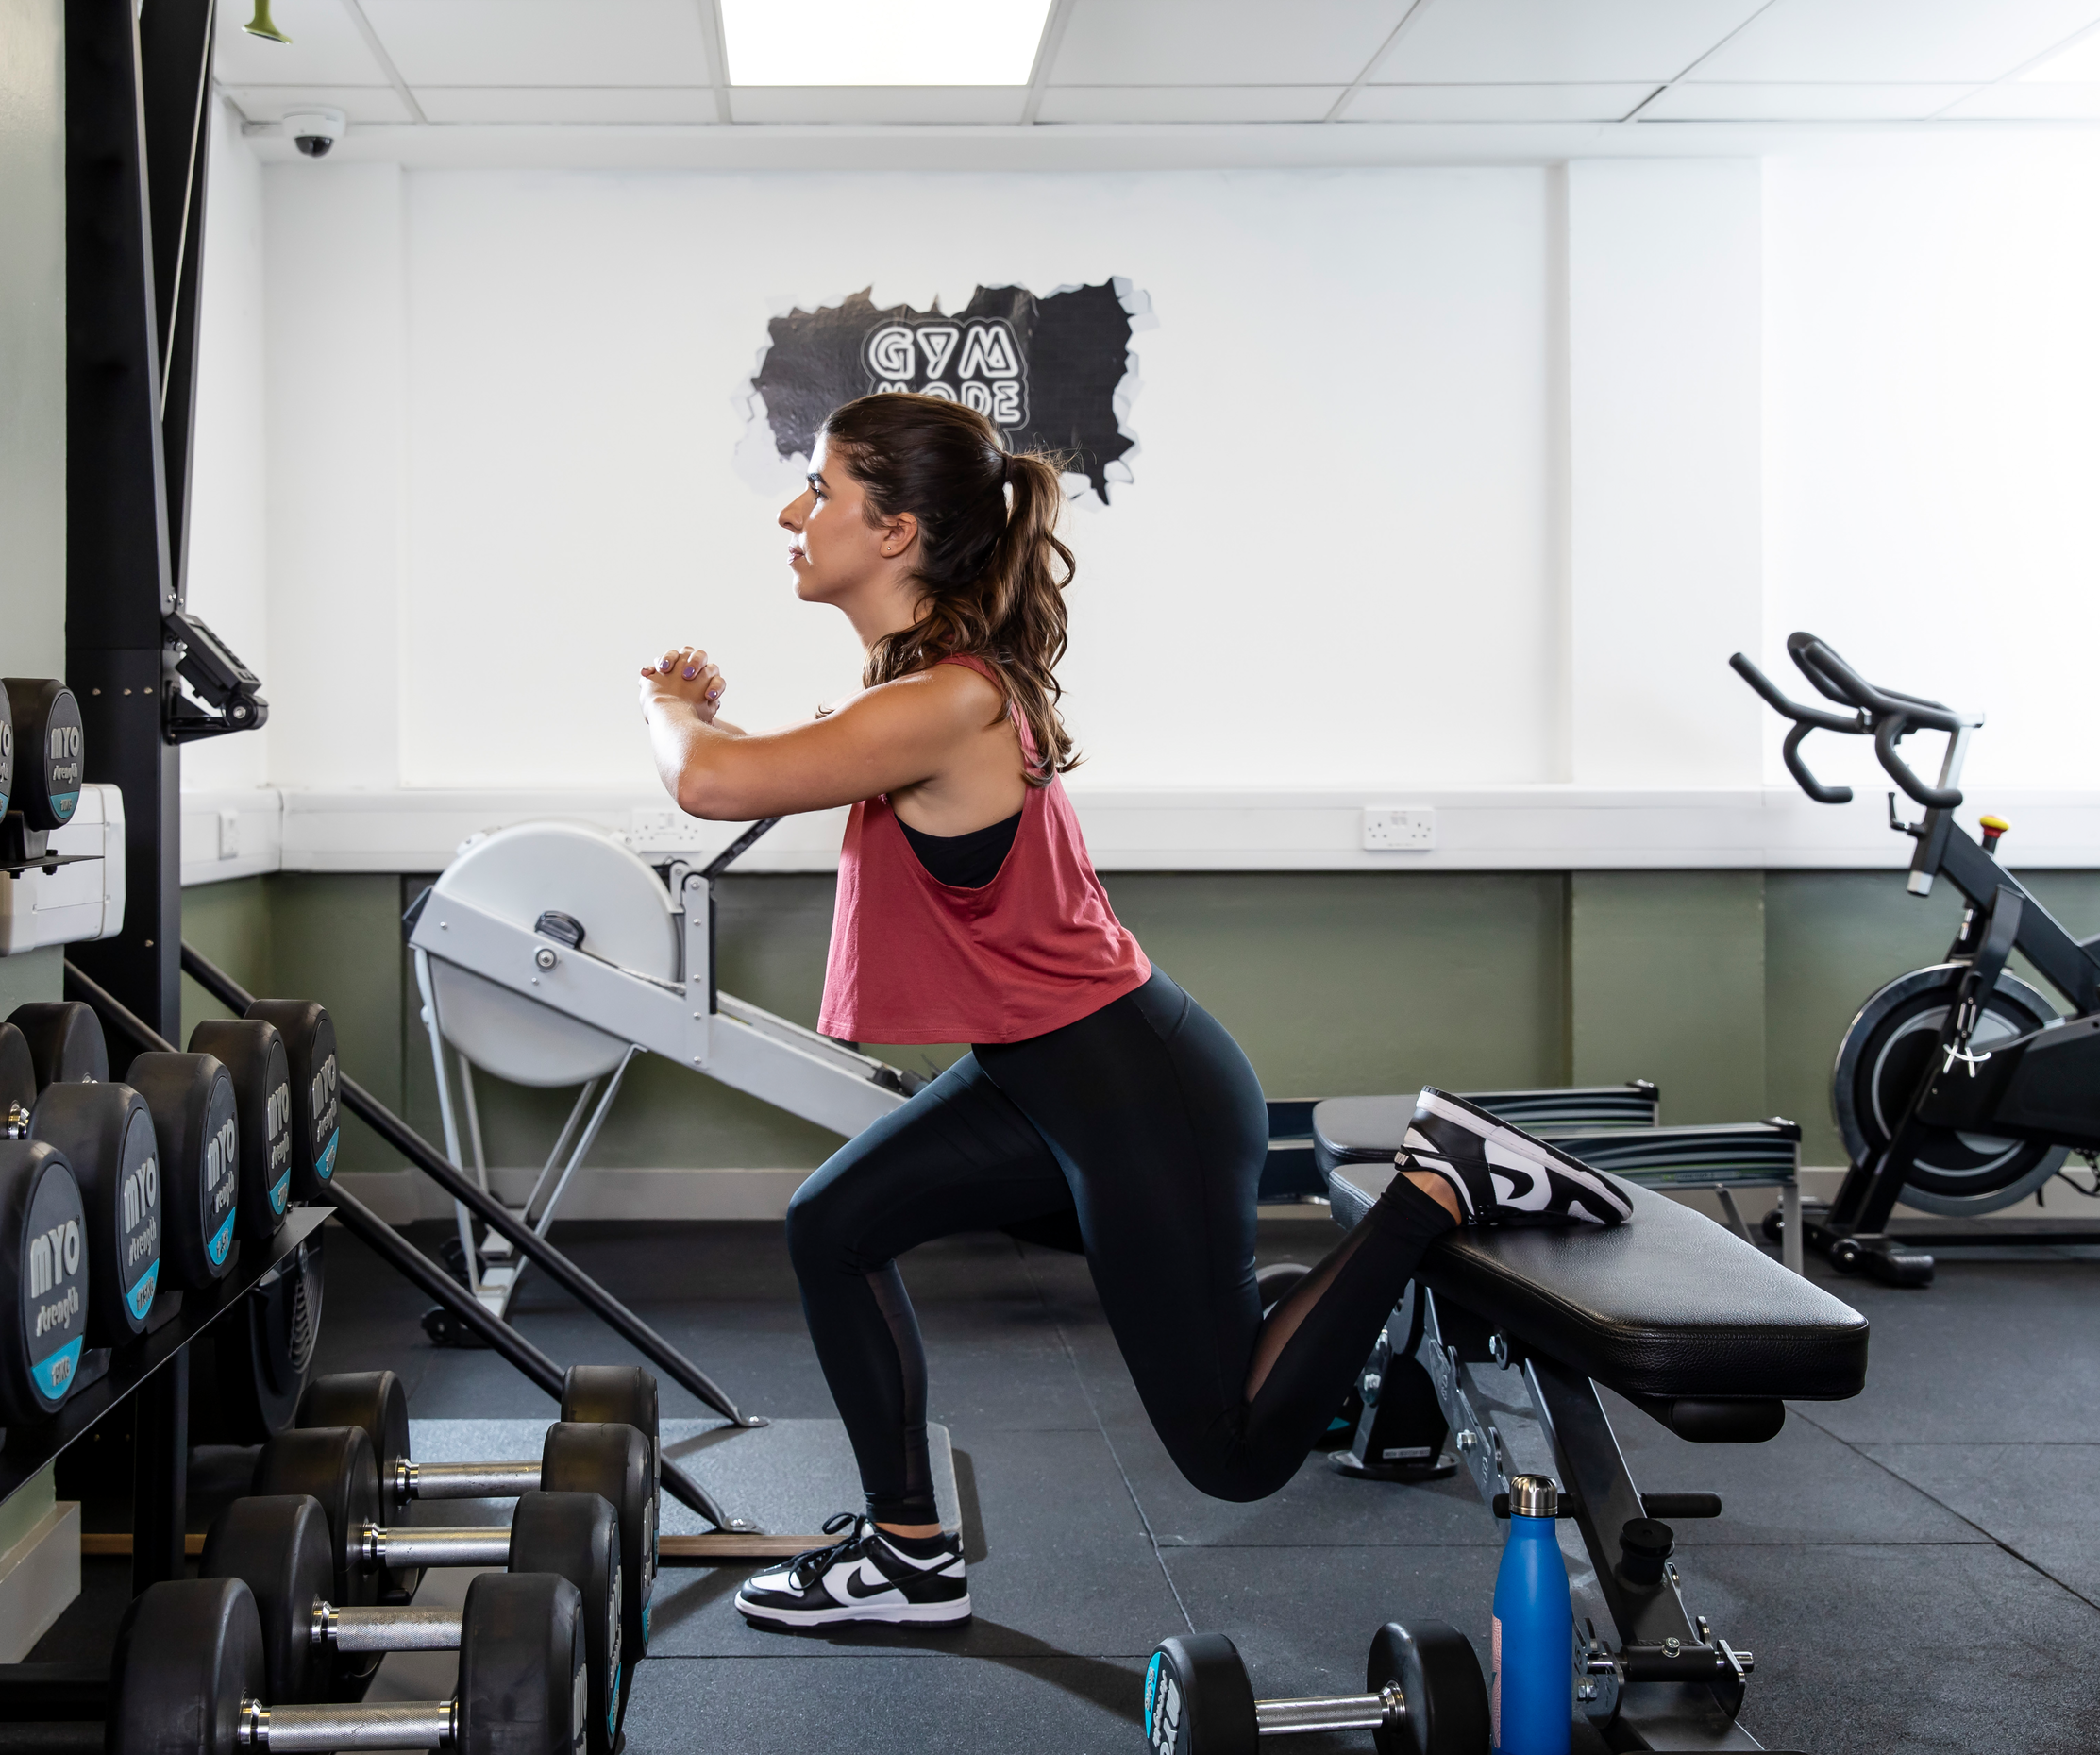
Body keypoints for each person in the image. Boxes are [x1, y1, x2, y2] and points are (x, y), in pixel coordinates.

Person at [636, 392, 1630, 1632]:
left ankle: (1438, 1187)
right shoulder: (920, 695)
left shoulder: (945, 701)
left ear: (894, 531)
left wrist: (668, 703)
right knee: (832, 1226)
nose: (796, 512)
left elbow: (715, 782)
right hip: (1048, 1079)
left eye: (822, 489)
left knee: (1233, 1451)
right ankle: (907, 1557)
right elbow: (772, 761)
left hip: (1125, 1094)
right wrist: (705, 726)